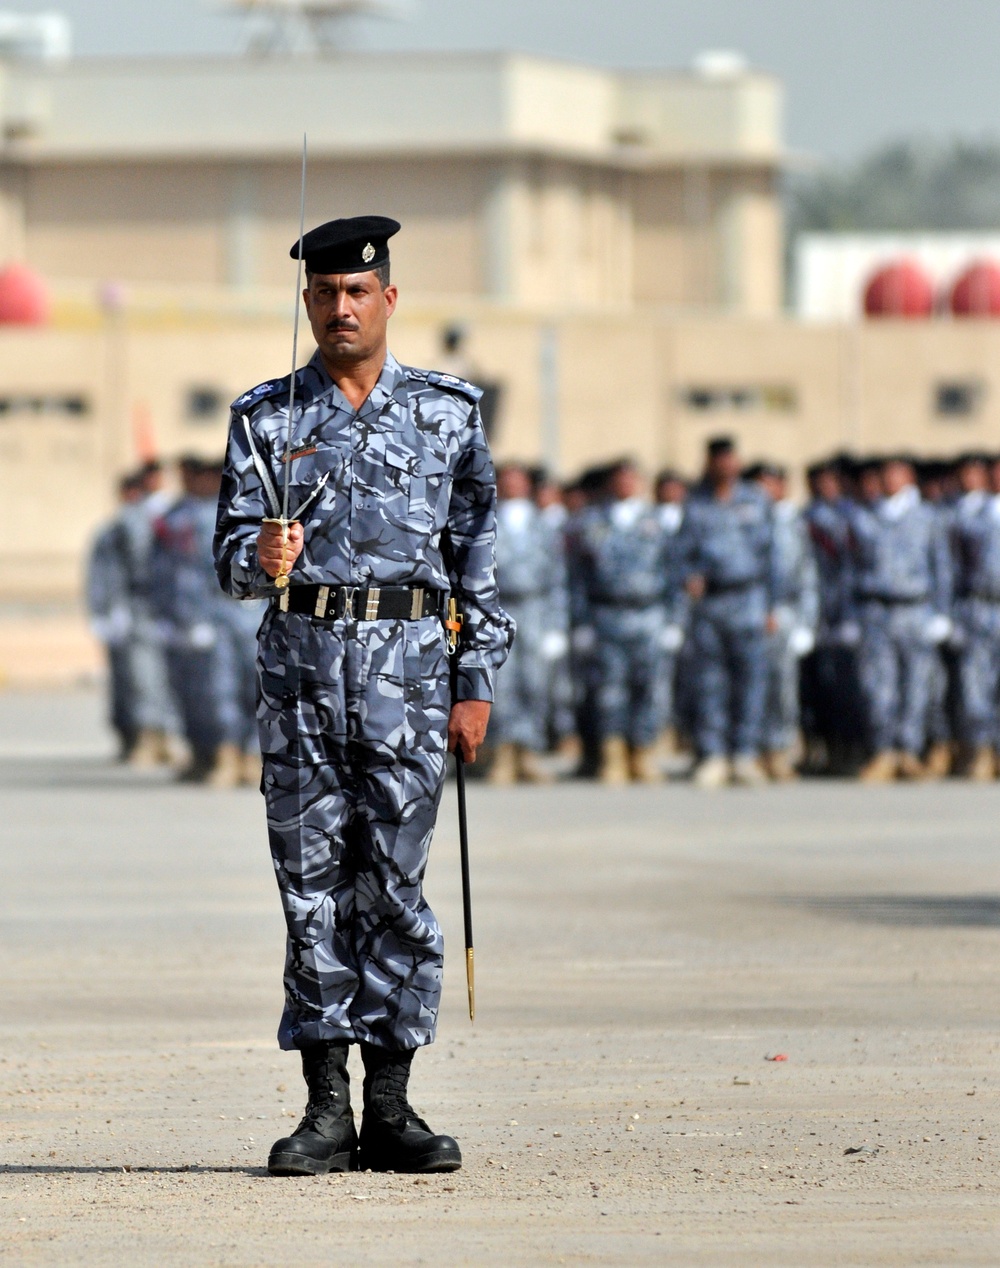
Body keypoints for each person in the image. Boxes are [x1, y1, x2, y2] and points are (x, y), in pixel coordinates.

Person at [214, 215, 512, 1176]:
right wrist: (258, 559)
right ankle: (325, 1109)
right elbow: (225, 565)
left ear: (389, 298)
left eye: (356, 291)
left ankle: (393, 1104)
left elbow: (478, 560)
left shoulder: (449, 413)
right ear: (305, 304)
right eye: (322, 294)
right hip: (301, 684)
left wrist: (477, 684)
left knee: (395, 889)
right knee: (310, 894)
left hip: (412, 689)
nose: (339, 308)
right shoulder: (266, 419)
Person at [151, 456, 263, 786]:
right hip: (217, 613)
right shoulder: (191, 518)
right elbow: (186, 575)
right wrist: (190, 617)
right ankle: (226, 756)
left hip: (255, 611)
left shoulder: (253, 511)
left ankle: (254, 757)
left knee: (258, 689)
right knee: (218, 689)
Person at [846, 456, 953, 782]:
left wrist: (942, 613)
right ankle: (883, 750)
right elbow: (851, 570)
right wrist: (851, 615)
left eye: (897, 473)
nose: (891, 479)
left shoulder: (928, 518)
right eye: (886, 473)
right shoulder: (867, 517)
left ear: (909, 477)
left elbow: (943, 568)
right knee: (878, 686)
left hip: (914, 609)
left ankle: (909, 750)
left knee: (917, 685)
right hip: (876, 611)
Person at [678, 437, 777, 788]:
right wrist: (687, 577)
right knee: (710, 682)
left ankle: (745, 753)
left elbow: (772, 557)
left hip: (749, 599)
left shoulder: (756, 499)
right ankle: (714, 754)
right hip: (711, 604)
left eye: (729, 459)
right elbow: (680, 553)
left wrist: (773, 605)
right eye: (717, 459)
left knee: (750, 681)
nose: (724, 465)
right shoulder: (696, 502)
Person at [488, 462, 567, 784]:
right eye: (507, 480)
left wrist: (557, 626)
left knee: (535, 684)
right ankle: (502, 752)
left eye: (518, 480)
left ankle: (529, 751)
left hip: (534, 609)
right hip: (498, 606)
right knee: (501, 684)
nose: (513, 486)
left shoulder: (542, 524)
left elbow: (557, 577)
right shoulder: (485, 520)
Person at [748, 463, 819, 781]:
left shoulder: (794, 524)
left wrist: (807, 622)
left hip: (786, 614)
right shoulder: (743, 520)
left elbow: (807, 576)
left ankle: (778, 752)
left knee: (782, 690)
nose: (766, 491)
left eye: (772, 484)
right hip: (747, 614)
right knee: (748, 687)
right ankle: (748, 751)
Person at [86, 473, 147, 759]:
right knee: (127, 679)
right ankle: (131, 736)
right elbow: (101, 574)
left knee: (148, 679)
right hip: (122, 611)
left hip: (149, 612)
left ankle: (151, 738)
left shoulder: (156, 524)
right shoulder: (114, 529)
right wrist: (103, 611)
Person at [950, 453, 1000, 780]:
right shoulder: (968, 516)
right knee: (975, 686)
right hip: (979, 607)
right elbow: (950, 567)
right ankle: (981, 751)